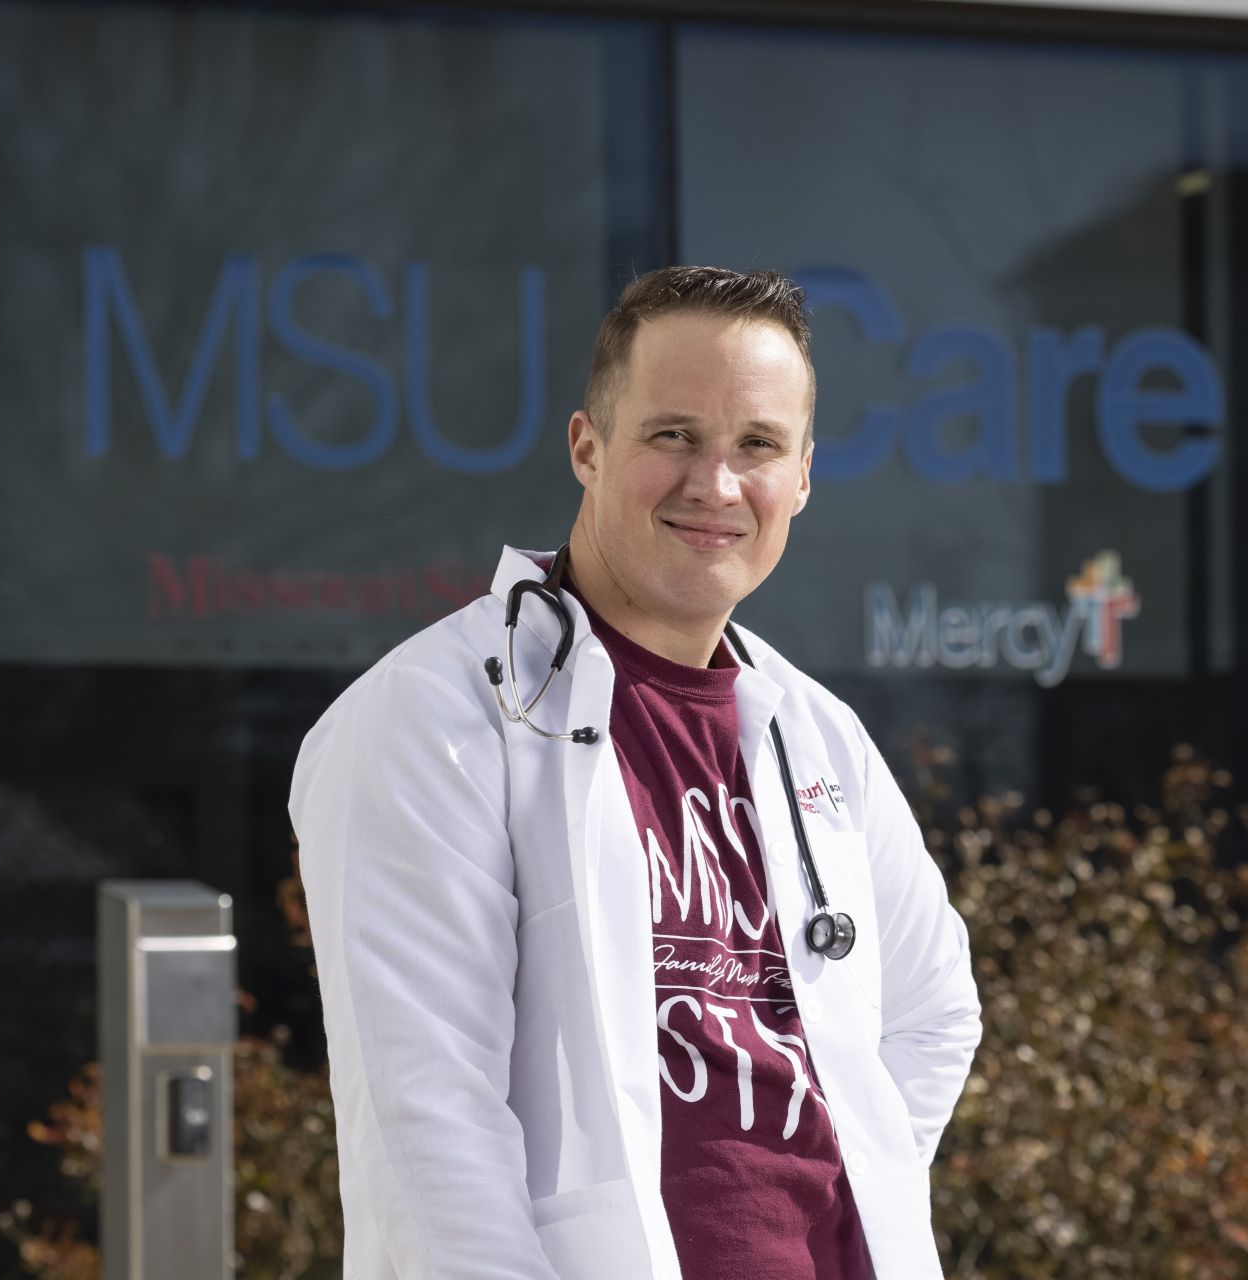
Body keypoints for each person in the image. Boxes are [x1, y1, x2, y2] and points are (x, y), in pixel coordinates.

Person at [289, 266, 981, 1280]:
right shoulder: (431, 717)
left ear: (802, 477)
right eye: (673, 436)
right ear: (588, 446)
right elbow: (424, 1118)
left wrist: (860, 1189)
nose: (716, 484)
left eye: (757, 445)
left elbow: (934, 1008)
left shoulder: (819, 735)